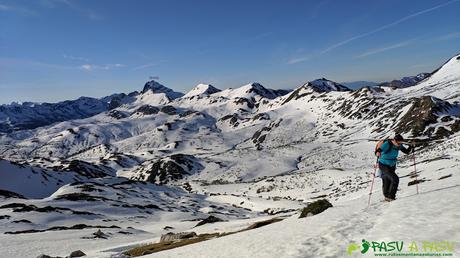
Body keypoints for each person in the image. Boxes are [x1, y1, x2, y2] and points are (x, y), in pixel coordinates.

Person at [375, 134, 413, 202]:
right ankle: (391, 197)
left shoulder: (399, 145)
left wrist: (410, 146)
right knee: (395, 179)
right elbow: (379, 150)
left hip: (392, 164)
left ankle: (387, 196)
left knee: (388, 179)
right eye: (399, 142)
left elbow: (406, 152)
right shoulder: (388, 144)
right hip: (383, 164)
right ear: (395, 140)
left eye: (401, 143)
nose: (400, 144)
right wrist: (378, 152)